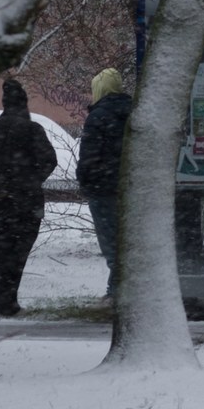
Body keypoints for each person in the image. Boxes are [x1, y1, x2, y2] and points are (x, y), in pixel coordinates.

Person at [0, 78, 58, 316]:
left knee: (3, 251)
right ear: (24, 103)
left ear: (4, 103)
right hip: (29, 201)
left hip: (3, 200)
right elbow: (50, 160)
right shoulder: (33, 129)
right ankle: (9, 301)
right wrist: (31, 178)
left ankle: (2, 303)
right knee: (20, 252)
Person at [76, 68, 132, 301]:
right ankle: (122, 288)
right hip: (129, 187)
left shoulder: (98, 117)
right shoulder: (133, 111)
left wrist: (85, 181)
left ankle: (117, 292)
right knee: (127, 242)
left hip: (103, 188)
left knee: (111, 243)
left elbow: (89, 156)